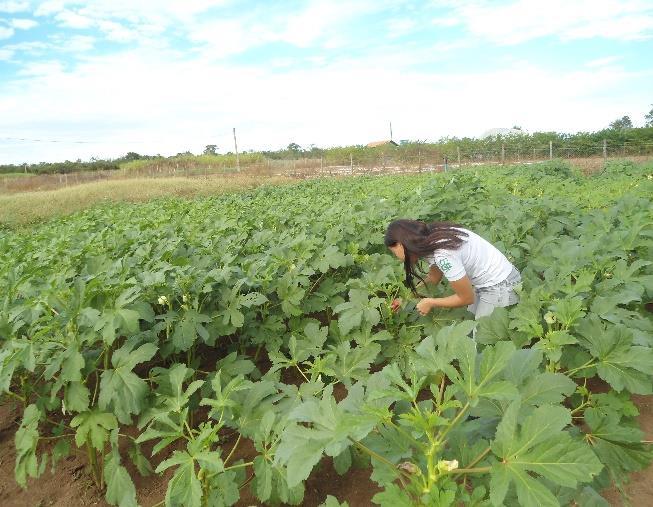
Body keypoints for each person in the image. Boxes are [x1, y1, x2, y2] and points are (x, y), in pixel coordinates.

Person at [384, 219, 521, 319]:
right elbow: (433, 278)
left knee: (482, 341)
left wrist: (430, 302)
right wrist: (405, 299)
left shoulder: (444, 256)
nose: (396, 256)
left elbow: (466, 298)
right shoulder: (431, 237)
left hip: (501, 286)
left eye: (393, 251)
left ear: (401, 245)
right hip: (488, 282)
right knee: (470, 322)